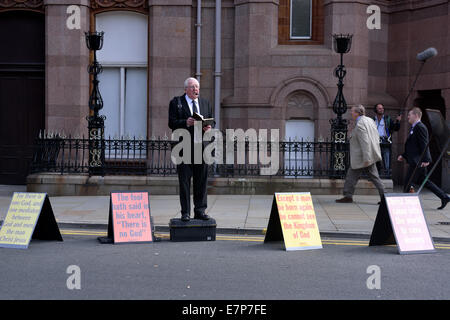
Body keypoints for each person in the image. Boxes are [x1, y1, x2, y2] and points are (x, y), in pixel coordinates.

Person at [168, 77, 213, 221]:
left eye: (197, 87)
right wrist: (185, 122)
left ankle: (200, 210)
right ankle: (185, 212)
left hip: (202, 148)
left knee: (201, 181)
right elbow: (171, 122)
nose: (195, 89)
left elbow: (212, 119)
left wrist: (209, 127)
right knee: (185, 182)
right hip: (184, 148)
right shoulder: (176, 102)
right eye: (192, 87)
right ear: (186, 89)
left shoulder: (205, 103)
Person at [397, 107, 449, 210]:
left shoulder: (420, 127)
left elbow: (424, 144)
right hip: (417, 160)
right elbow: (413, 146)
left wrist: (426, 160)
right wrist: (404, 155)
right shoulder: (415, 127)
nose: (408, 117)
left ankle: (404, 204)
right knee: (424, 181)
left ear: (416, 115)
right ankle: (444, 197)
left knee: (408, 182)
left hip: (418, 162)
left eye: (409, 115)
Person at [336, 105, 385, 203]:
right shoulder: (369, 120)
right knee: (370, 177)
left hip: (362, 157)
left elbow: (365, 141)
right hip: (368, 155)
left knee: (355, 176)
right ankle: (384, 196)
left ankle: (348, 196)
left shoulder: (360, 124)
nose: (351, 113)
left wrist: (367, 158)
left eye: (352, 111)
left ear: (357, 113)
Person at [373, 103, 401, 175]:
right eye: (379, 108)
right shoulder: (373, 119)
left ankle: (387, 173)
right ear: (376, 110)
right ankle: (377, 174)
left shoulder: (387, 119)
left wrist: (398, 122)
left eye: (382, 108)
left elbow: (395, 128)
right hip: (375, 142)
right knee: (376, 159)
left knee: (386, 158)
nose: (381, 109)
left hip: (385, 141)